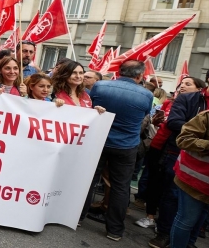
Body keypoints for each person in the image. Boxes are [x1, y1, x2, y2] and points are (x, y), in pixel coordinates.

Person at [80, 60, 152, 241]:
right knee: (121, 187)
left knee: (89, 179)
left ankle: (77, 217)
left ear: (119, 72)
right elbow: (144, 115)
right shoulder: (146, 94)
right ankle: (114, 230)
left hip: (99, 140)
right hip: (126, 145)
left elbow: (93, 107)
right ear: (140, 76)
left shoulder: (100, 86)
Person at [150, 77, 209, 248]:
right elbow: (175, 123)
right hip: (182, 159)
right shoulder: (188, 100)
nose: (182, 86)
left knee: (202, 210)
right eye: (182, 83)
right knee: (175, 199)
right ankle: (164, 233)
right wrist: (202, 133)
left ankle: (191, 240)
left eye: (187, 83)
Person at [170, 110, 209, 248]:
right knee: (186, 220)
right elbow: (183, 139)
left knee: (197, 220)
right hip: (194, 181)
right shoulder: (206, 116)